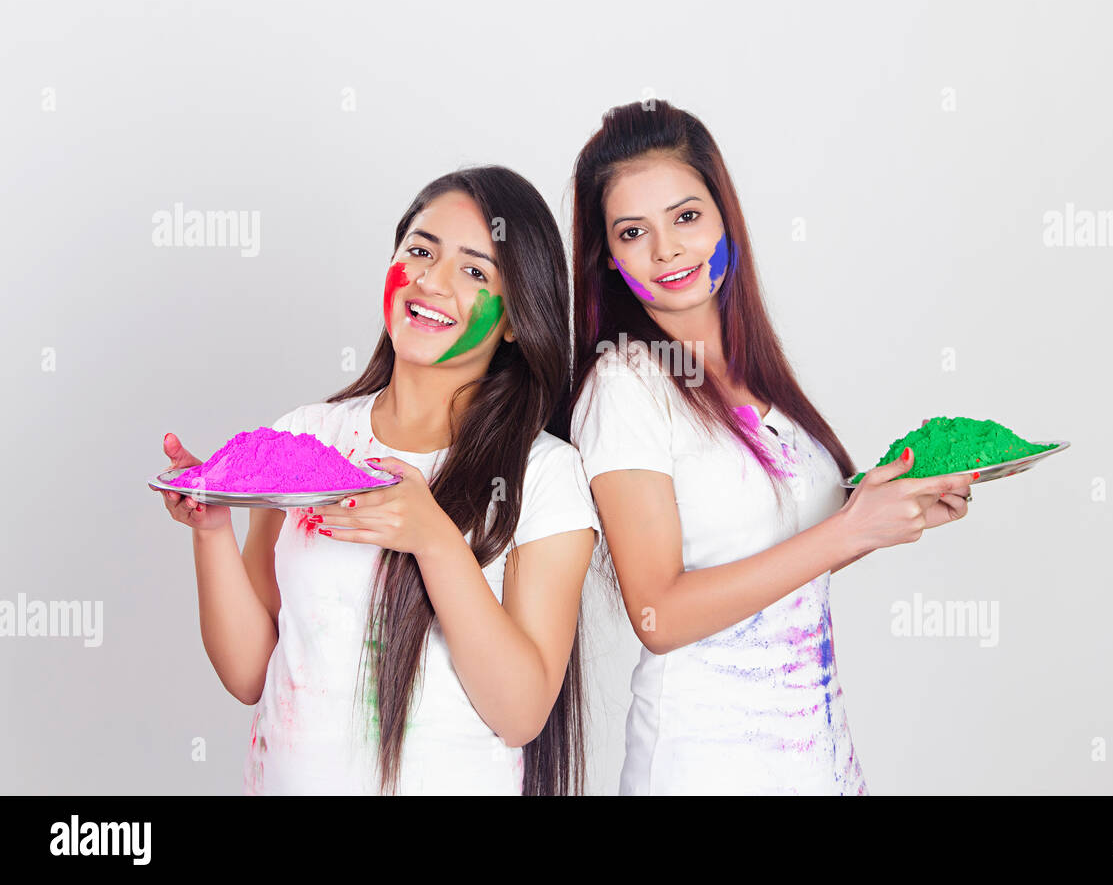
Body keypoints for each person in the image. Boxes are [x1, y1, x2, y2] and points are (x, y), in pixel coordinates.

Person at [566, 100, 975, 794]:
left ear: (726, 217)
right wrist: (852, 531)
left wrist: (891, 508)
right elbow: (657, 615)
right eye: (634, 232)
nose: (667, 250)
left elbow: (777, 559)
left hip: (819, 761)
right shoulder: (625, 383)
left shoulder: (755, 379)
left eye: (687, 217)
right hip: (706, 769)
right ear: (609, 257)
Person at [153, 167, 599, 794]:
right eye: (420, 250)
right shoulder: (303, 441)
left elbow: (520, 712)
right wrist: (211, 530)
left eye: (475, 272)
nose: (431, 281)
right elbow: (251, 671)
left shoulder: (546, 474)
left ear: (518, 318)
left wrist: (435, 539)